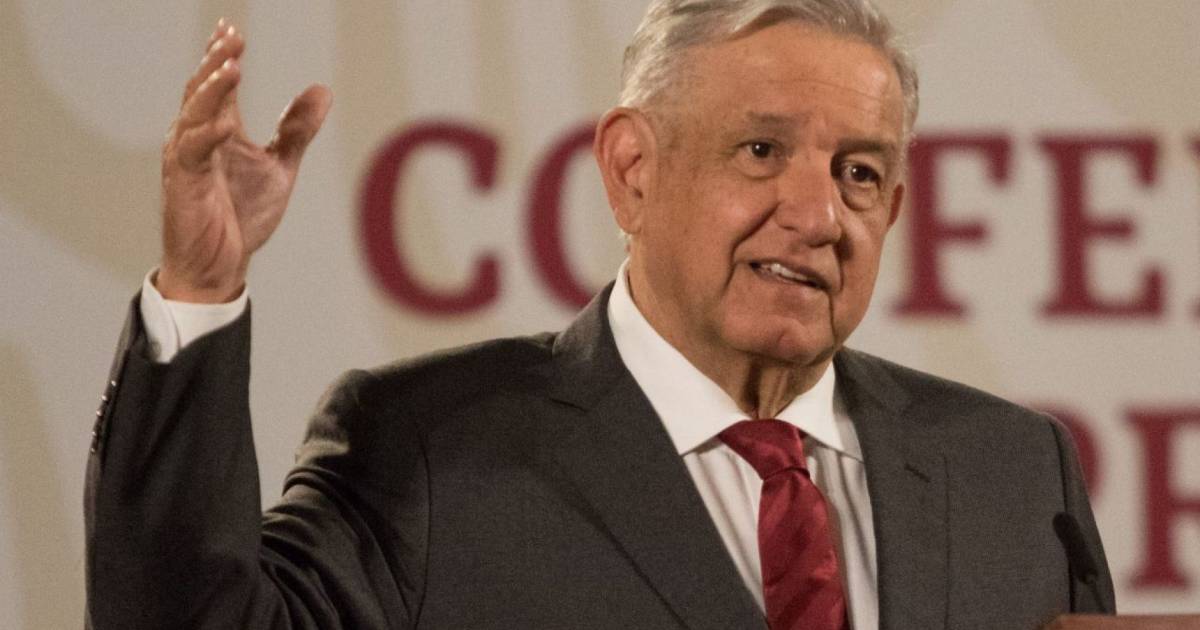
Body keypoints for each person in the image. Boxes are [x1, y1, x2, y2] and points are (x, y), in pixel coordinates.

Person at [84, 1, 1115, 629]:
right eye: (760, 151)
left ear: (891, 210)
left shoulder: (1012, 472)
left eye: (858, 172)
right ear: (632, 170)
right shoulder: (430, 449)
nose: (816, 216)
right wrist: (201, 291)